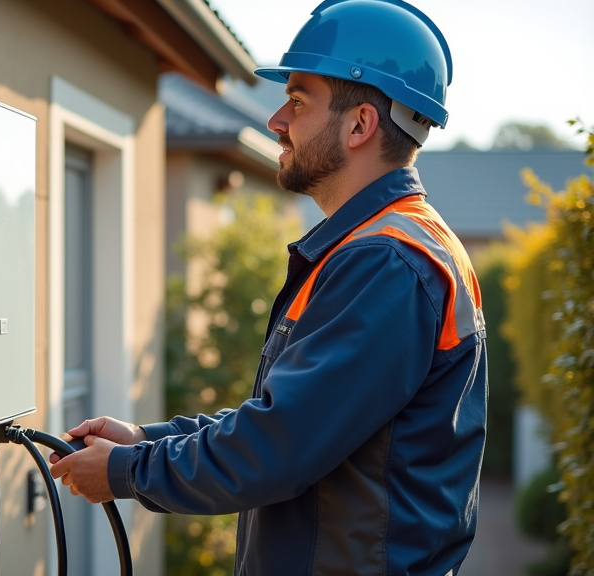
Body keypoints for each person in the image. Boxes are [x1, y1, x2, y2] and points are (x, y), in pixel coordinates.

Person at [48, 1, 487, 574]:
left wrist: (126, 470)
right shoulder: (384, 247)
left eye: (298, 102)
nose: (276, 120)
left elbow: (275, 448)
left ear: (360, 125)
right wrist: (145, 440)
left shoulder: (384, 261)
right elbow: (288, 417)